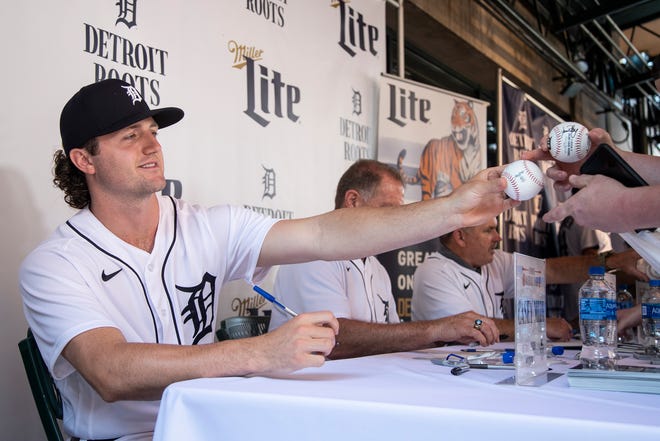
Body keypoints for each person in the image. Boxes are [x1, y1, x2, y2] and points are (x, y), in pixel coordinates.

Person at [19, 79, 518, 440]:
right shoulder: (55, 263)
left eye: (153, 130)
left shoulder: (205, 224)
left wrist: (454, 207)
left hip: (214, 423)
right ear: (84, 160)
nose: (153, 145)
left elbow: (326, 232)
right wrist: (261, 352)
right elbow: (111, 372)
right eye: (130, 136)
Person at [268, 160, 500, 359]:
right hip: (310, 396)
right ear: (353, 201)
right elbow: (334, 340)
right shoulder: (311, 256)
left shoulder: (375, 266)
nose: (395, 220)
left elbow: (391, 337)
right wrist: (436, 330)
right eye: (388, 209)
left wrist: (451, 333)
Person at [411, 218, 646, 340]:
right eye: (488, 230)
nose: (498, 237)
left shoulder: (494, 262)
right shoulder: (434, 272)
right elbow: (471, 328)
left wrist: (613, 262)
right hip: (446, 383)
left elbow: (553, 271)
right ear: (460, 236)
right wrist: (540, 327)